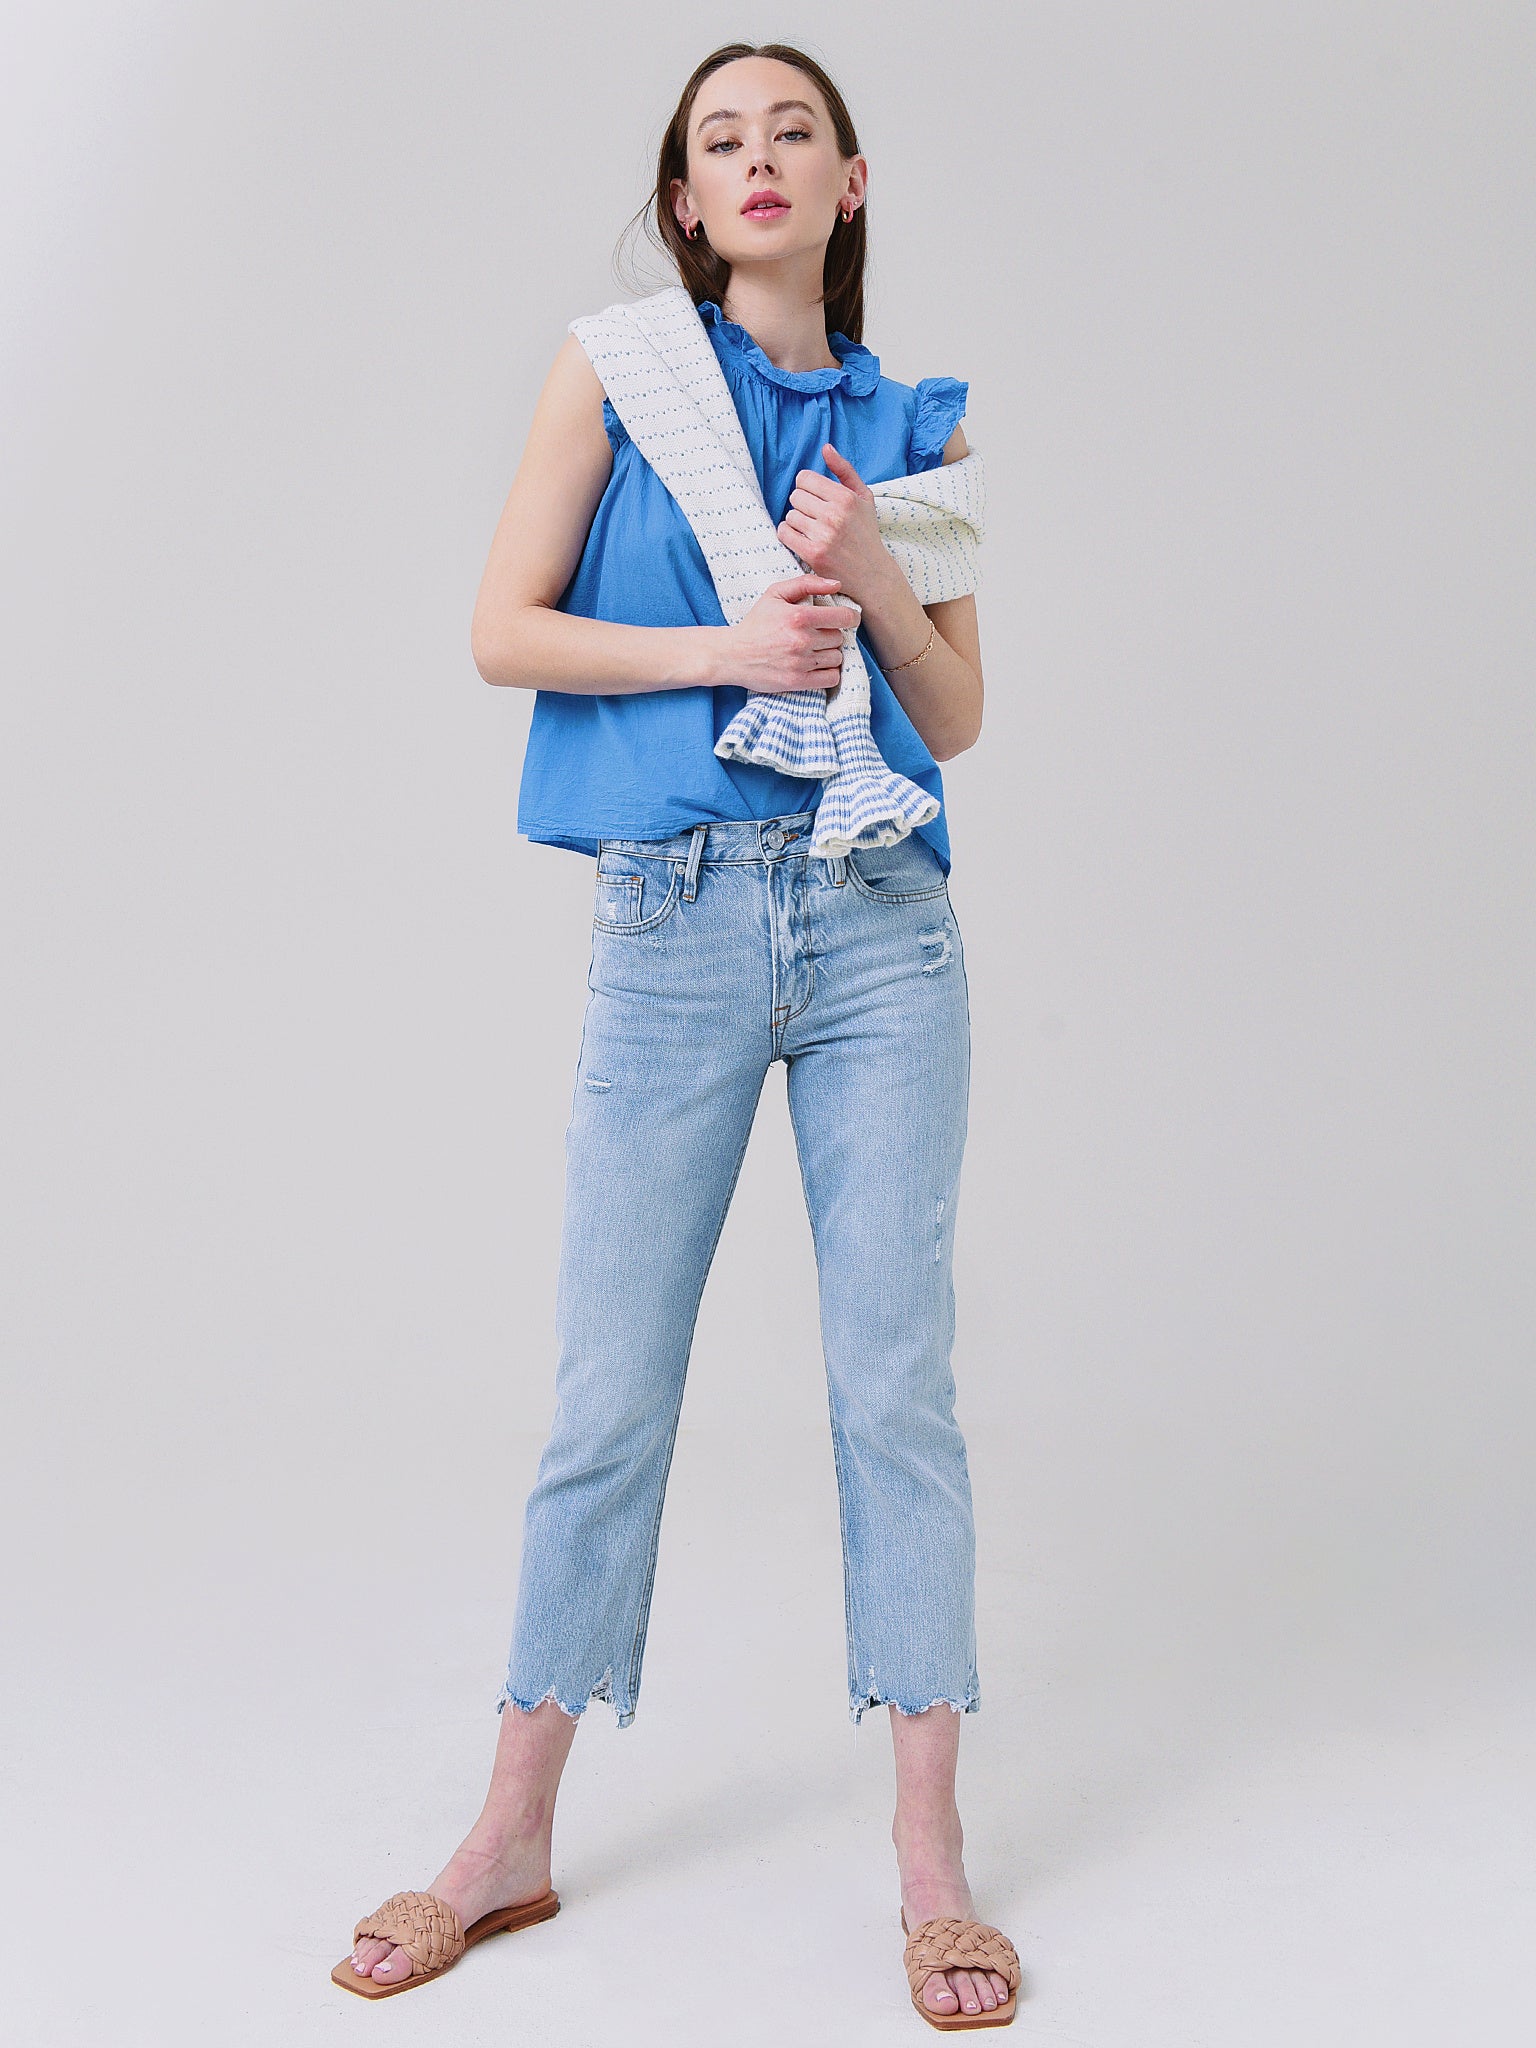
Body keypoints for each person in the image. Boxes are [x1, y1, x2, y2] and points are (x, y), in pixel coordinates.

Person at [336, 41, 1018, 2028]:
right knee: (609, 1389)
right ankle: (507, 1835)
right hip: (679, 916)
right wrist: (733, 646)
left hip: (883, 928)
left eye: (793, 129)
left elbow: (958, 718)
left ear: (851, 180)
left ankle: (931, 1860)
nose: (759, 157)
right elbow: (503, 628)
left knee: (896, 1390)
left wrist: (879, 578)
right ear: (689, 201)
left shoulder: (917, 429)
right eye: (723, 140)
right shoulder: (618, 374)